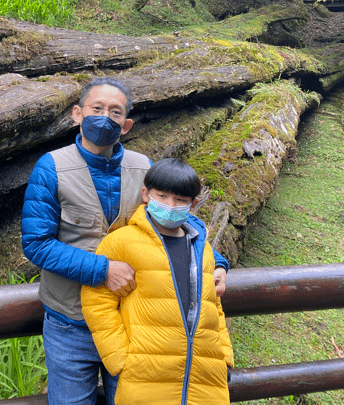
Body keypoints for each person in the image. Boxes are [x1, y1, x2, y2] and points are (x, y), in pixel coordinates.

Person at [21, 78, 229, 405]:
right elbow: (36, 244)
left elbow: (172, 222)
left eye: (115, 112)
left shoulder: (142, 166)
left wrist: (215, 261)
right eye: (97, 109)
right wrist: (102, 269)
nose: (105, 117)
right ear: (78, 114)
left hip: (133, 321)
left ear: (126, 124)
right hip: (69, 322)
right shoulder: (52, 167)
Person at [80, 158, 233, 405]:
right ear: (145, 194)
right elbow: (96, 301)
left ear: (193, 204)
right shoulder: (121, 242)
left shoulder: (201, 248)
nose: (170, 206)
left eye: (180, 201)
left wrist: (224, 355)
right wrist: (120, 358)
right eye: (161, 196)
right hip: (144, 375)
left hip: (204, 376)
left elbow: (213, 305)